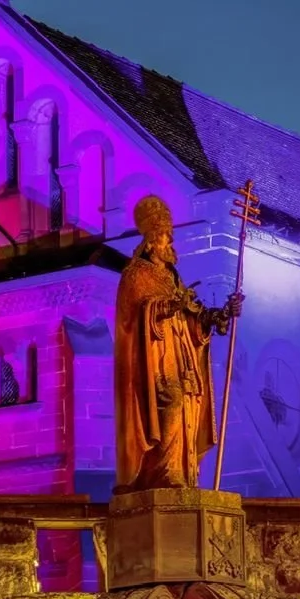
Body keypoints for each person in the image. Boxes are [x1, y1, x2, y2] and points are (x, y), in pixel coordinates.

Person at [114, 194, 240, 491]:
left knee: (187, 407)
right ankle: (161, 476)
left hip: (182, 359)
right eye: (165, 237)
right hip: (155, 364)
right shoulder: (135, 276)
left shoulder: (173, 278)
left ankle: (183, 476)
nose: (170, 243)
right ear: (151, 241)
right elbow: (133, 318)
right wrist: (166, 307)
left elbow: (193, 318)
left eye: (170, 237)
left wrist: (220, 314)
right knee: (170, 405)